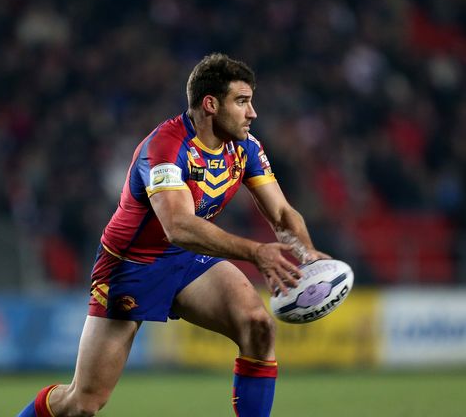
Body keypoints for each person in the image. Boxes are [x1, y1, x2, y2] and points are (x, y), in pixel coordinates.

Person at [17, 53, 329, 417]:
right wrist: (256, 252)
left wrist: (307, 252)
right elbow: (177, 226)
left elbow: (281, 212)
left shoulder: (246, 148)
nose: (252, 112)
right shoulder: (164, 149)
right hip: (131, 267)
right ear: (211, 104)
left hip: (186, 260)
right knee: (83, 404)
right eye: (242, 102)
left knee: (257, 325)